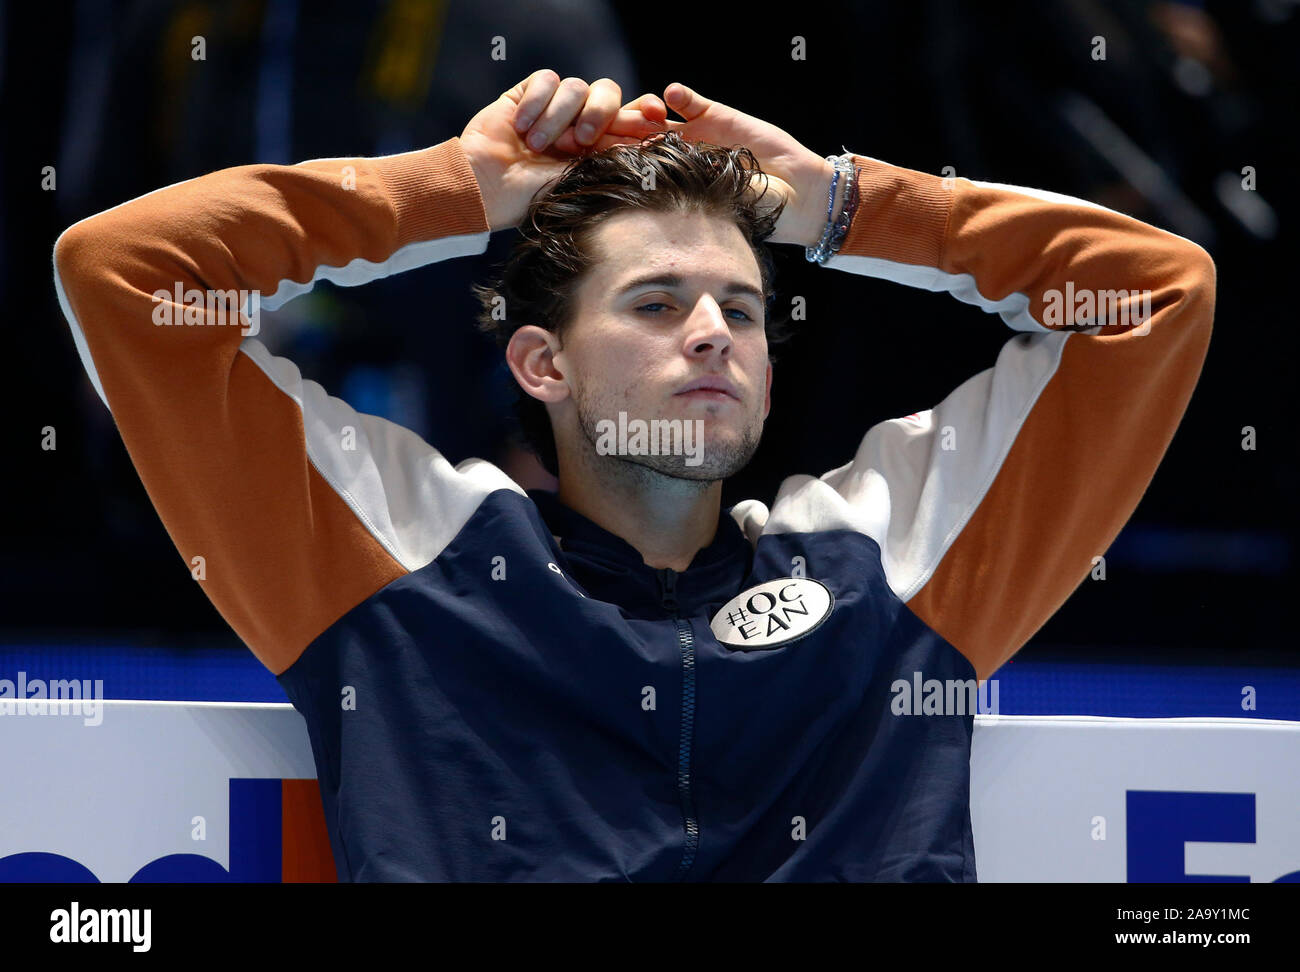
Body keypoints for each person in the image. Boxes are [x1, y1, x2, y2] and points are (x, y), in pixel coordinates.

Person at [53, 70, 1215, 881]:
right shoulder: (403, 561)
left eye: (743, 310)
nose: (712, 333)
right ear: (541, 363)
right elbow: (126, 275)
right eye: (657, 304)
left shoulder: (891, 564)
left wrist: (842, 206)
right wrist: (454, 190)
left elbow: (1152, 299)